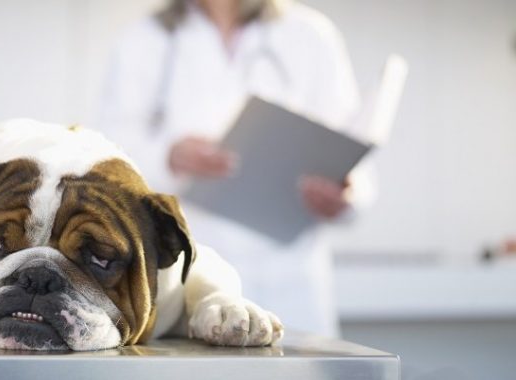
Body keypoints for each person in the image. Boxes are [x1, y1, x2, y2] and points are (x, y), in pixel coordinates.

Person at [95, 0, 375, 337]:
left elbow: (355, 163)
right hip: (193, 273)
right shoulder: (146, 38)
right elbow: (109, 157)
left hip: (291, 277)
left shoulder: (310, 35)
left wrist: (345, 196)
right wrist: (169, 156)